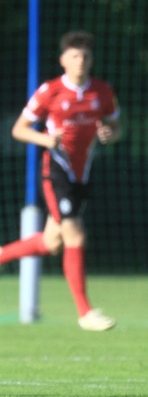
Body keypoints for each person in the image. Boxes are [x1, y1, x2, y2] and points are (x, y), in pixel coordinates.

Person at [0, 31, 120, 331]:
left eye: (85, 56)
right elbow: (20, 129)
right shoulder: (50, 91)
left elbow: (115, 127)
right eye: (75, 56)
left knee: (52, 243)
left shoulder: (102, 93)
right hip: (56, 173)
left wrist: (109, 134)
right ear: (63, 60)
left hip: (81, 177)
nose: (80, 61)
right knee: (75, 235)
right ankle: (85, 313)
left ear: (91, 61)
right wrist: (46, 138)